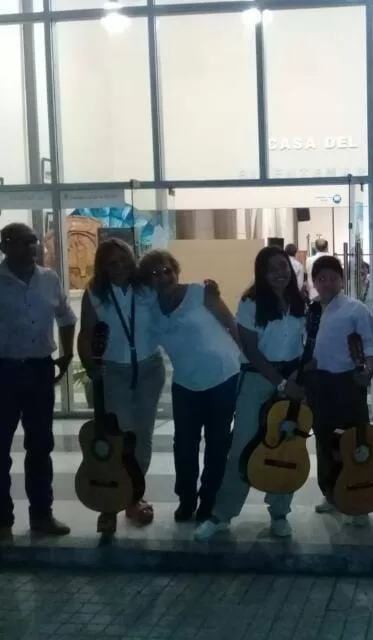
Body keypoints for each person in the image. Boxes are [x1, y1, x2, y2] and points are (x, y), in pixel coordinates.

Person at [193, 246, 307, 541]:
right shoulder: (251, 301)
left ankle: (279, 513)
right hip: (257, 379)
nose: (280, 273)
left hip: (292, 380)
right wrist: (281, 383)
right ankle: (221, 515)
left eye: (283, 266)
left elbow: (305, 345)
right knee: (242, 447)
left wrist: (295, 379)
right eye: (272, 269)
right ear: (262, 273)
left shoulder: (300, 301)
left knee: (286, 446)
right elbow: (251, 350)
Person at [138, 250, 241, 524]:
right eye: (155, 273)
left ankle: (209, 500)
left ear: (176, 271)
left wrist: (247, 360)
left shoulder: (200, 292)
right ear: (147, 281)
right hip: (186, 384)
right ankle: (186, 499)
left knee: (217, 444)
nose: (164, 277)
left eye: (167, 270)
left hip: (223, 377)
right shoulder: (150, 310)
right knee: (184, 446)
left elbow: (230, 323)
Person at [78, 238, 165, 535]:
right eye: (111, 263)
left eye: (123, 259)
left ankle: (132, 498)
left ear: (132, 259)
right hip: (114, 372)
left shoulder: (147, 288)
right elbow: (86, 333)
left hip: (150, 369)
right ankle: (108, 505)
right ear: (102, 267)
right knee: (118, 439)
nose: (119, 267)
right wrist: (91, 367)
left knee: (142, 438)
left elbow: (174, 298)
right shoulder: (95, 293)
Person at [0, 222, 76, 540]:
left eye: (33, 240)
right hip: (4, 371)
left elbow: (66, 316)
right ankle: (2, 521)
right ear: (4, 246)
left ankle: (42, 515)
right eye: (23, 241)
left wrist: (67, 354)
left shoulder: (50, 278)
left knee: (41, 446)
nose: (32, 246)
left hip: (39, 370)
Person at [306, 256, 373, 526]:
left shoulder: (355, 309)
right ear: (314, 282)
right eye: (321, 278)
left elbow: (370, 345)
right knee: (324, 441)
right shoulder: (310, 310)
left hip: (348, 383)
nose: (327, 283)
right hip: (318, 384)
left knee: (355, 441)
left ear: (342, 280)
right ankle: (331, 493)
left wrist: (367, 371)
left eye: (332, 278)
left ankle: (360, 501)